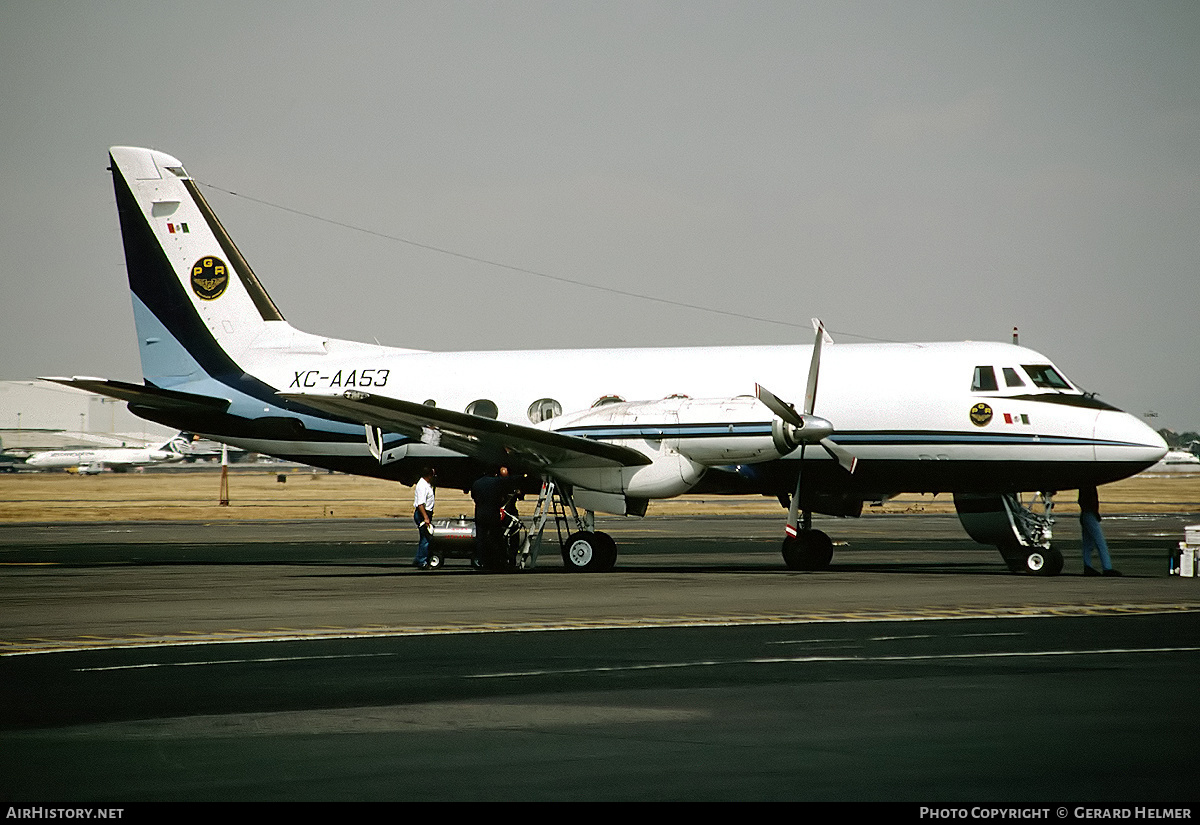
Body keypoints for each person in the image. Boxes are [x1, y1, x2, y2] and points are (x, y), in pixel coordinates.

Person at [471, 466, 514, 571]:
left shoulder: (477, 483)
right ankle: (499, 560)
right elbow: (502, 495)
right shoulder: (496, 482)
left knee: (481, 539)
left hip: (480, 513)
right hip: (492, 513)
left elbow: (474, 497)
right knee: (496, 538)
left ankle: (482, 562)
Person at [1079, 484, 1120, 576]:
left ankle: (1087, 566)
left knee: (1087, 544)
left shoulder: (1084, 486)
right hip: (1090, 514)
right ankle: (1107, 567)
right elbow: (1090, 502)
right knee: (1100, 543)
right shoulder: (1089, 486)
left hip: (1085, 514)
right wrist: (1095, 513)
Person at [412, 467, 437, 569]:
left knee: (424, 537)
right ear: (429, 475)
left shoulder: (426, 484)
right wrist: (426, 517)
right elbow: (420, 504)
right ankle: (422, 561)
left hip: (426, 513)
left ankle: (418, 558)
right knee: (426, 539)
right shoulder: (422, 486)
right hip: (423, 513)